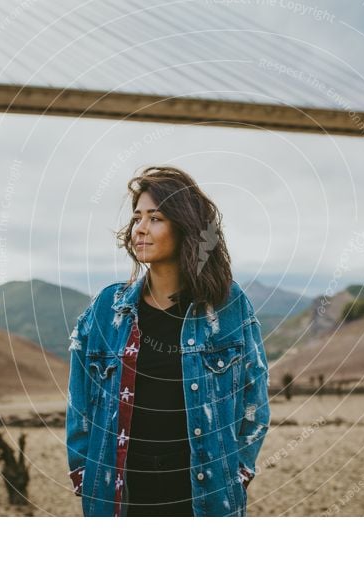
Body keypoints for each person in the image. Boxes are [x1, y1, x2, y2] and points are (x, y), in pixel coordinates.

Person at [65, 166, 270, 517]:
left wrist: (237, 474)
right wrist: (85, 476)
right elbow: (80, 404)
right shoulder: (106, 310)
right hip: (122, 494)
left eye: (155, 218)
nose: (140, 228)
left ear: (184, 226)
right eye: (137, 218)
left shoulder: (228, 307)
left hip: (202, 493)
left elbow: (255, 400)